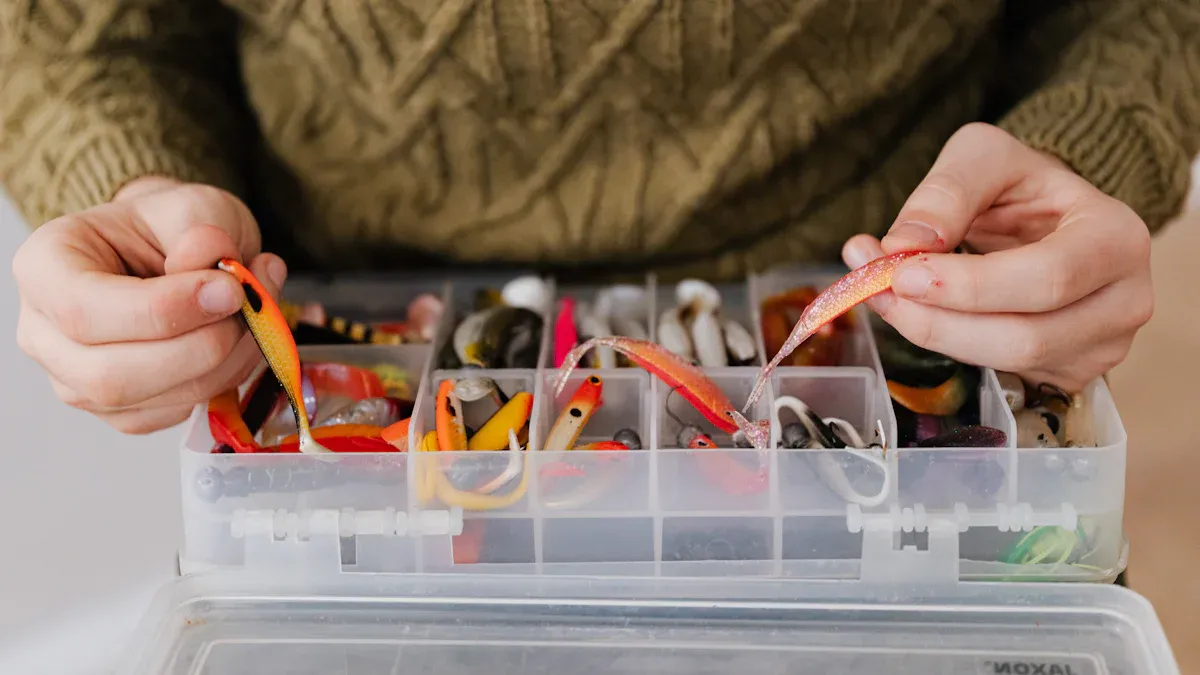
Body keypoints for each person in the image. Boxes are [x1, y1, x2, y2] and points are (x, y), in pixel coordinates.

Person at [2, 1, 1197, 435]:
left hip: (913, 342)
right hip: (342, 370)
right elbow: (84, 35)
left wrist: (1090, 140)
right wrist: (136, 193)